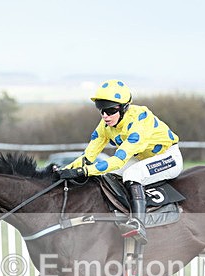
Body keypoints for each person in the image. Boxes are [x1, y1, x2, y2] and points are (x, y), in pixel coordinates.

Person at [58, 79, 182, 244]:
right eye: (101, 110)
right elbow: (88, 157)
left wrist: (86, 171)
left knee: (132, 174)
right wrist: (64, 170)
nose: (105, 116)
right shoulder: (105, 125)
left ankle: (138, 224)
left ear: (124, 108)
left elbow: (118, 160)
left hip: (168, 157)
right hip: (141, 158)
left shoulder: (140, 121)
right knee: (109, 175)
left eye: (110, 111)